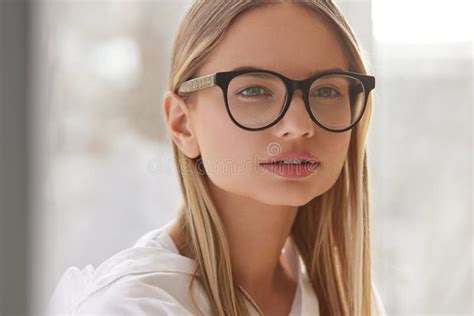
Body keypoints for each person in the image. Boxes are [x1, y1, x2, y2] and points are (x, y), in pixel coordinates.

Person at [46, 1, 386, 315]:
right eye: (254, 91)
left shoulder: (345, 297)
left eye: (327, 90)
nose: (298, 125)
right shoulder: (136, 307)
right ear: (182, 124)